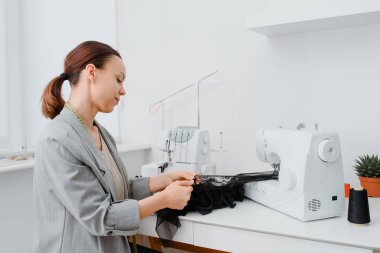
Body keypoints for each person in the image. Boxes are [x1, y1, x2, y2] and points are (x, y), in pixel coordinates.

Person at [33, 41, 194, 253]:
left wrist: (163, 180)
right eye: (118, 79)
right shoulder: (57, 141)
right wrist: (163, 199)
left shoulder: (100, 133)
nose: (123, 90)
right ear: (91, 72)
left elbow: (115, 192)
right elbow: (100, 217)